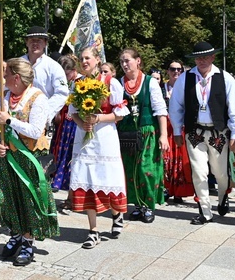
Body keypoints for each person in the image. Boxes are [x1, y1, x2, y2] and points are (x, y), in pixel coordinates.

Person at [0, 58, 59, 266]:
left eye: (6, 74)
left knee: (29, 200)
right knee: (7, 198)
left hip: (29, 159)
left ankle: (28, 241)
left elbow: (36, 131)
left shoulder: (38, 99)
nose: (4, 77)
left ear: (16, 77)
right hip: (7, 157)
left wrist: (9, 121)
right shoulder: (3, 98)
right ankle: (16, 233)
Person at [168, 41, 235, 225]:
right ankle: (205, 211)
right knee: (199, 172)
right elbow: (175, 106)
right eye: (198, 57)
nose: (201, 60)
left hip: (218, 132)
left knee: (220, 173)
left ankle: (222, 196)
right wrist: (177, 130)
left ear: (212, 57)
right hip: (195, 132)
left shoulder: (224, 78)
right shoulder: (185, 79)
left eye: (205, 57)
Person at [69, 46, 129, 249]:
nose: (84, 61)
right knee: (87, 179)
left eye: (88, 58)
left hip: (105, 137)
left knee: (106, 178)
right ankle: (93, 230)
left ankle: (116, 213)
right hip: (84, 137)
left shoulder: (111, 83)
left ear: (97, 60)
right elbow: (73, 112)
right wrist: (82, 123)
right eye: (82, 58)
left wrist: (98, 118)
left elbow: (120, 114)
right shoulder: (77, 84)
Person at [118, 48, 169, 223]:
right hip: (127, 134)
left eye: (127, 60)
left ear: (138, 61)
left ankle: (148, 206)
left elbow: (161, 110)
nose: (124, 64)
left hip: (147, 132)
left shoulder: (150, 82)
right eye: (122, 61)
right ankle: (138, 205)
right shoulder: (119, 83)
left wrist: (164, 135)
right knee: (130, 170)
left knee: (146, 170)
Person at [20, 26, 69, 125]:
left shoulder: (53, 66)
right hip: (18, 116)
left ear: (45, 43)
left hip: (41, 119)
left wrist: (44, 112)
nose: (35, 43)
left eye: (39, 40)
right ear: (26, 42)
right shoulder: (18, 64)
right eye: (32, 40)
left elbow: (62, 93)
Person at [160, 61, 194, 203]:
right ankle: (166, 189)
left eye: (179, 69)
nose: (176, 72)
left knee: (180, 160)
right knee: (166, 158)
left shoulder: (187, 88)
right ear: (168, 71)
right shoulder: (161, 88)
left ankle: (179, 191)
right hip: (165, 128)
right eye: (173, 69)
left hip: (181, 127)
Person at [51, 55, 81, 204]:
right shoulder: (65, 83)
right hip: (64, 122)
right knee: (62, 152)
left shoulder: (82, 82)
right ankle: (62, 186)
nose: (65, 77)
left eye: (67, 74)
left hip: (76, 123)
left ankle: (72, 195)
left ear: (74, 71)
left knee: (73, 156)